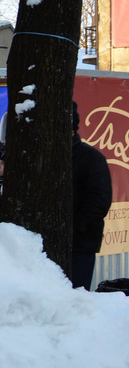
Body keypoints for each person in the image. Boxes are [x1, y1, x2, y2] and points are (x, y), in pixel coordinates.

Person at [72, 100, 113, 290]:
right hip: (45, 244)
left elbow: (99, 200)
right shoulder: (45, 158)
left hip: (80, 243)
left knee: (74, 297)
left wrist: (77, 226)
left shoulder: (92, 158)